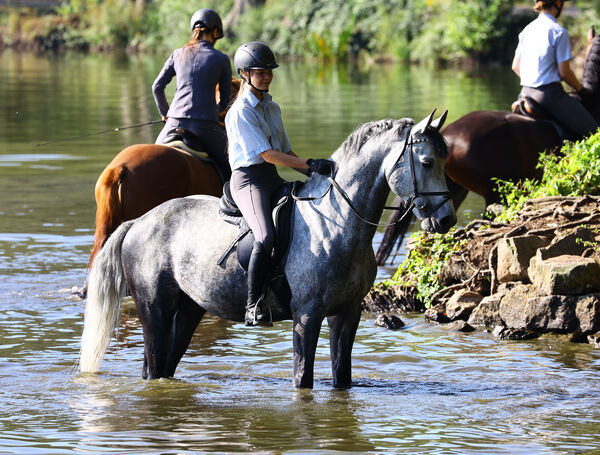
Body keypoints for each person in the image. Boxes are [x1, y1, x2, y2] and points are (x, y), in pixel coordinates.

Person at [225, 41, 333, 326]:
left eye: (270, 71)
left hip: (271, 177)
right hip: (249, 181)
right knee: (265, 237)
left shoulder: (273, 107)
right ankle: (252, 304)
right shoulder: (241, 112)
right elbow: (267, 154)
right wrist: (308, 165)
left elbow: (285, 151)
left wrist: (313, 172)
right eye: (260, 72)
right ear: (245, 74)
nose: (267, 77)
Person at [152, 8, 233, 182]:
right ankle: (233, 206)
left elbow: (157, 87)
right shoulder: (222, 59)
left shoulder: (178, 54)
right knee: (234, 167)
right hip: (206, 126)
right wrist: (214, 112)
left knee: (151, 159)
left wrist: (165, 113)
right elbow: (225, 99)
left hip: (174, 121)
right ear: (216, 32)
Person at [512, 0, 598, 139]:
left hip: (525, 94)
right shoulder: (559, 32)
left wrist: (533, 79)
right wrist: (582, 91)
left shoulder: (526, 30)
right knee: (595, 134)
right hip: (550, 96)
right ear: (558, 3)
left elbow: (515, 66)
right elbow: (565, 73)